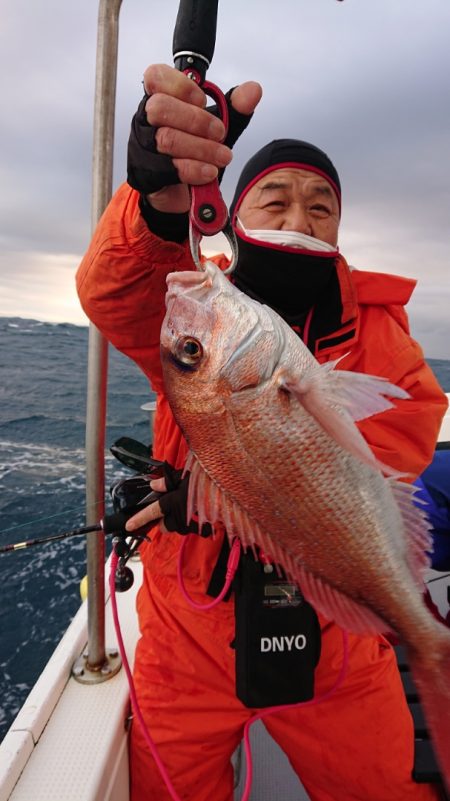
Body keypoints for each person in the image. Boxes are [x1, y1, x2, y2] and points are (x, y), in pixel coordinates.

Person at [76, 64, 448, 801]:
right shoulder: (199, 303)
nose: (298, 218)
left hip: (342, 645)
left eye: (321, 207)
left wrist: (243, 483)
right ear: (232, 216)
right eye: (273, 199)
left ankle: (429, 646)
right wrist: (155, 205)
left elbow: (401, 436)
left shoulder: (380, 334)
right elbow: (112, 293)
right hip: (190, 633)